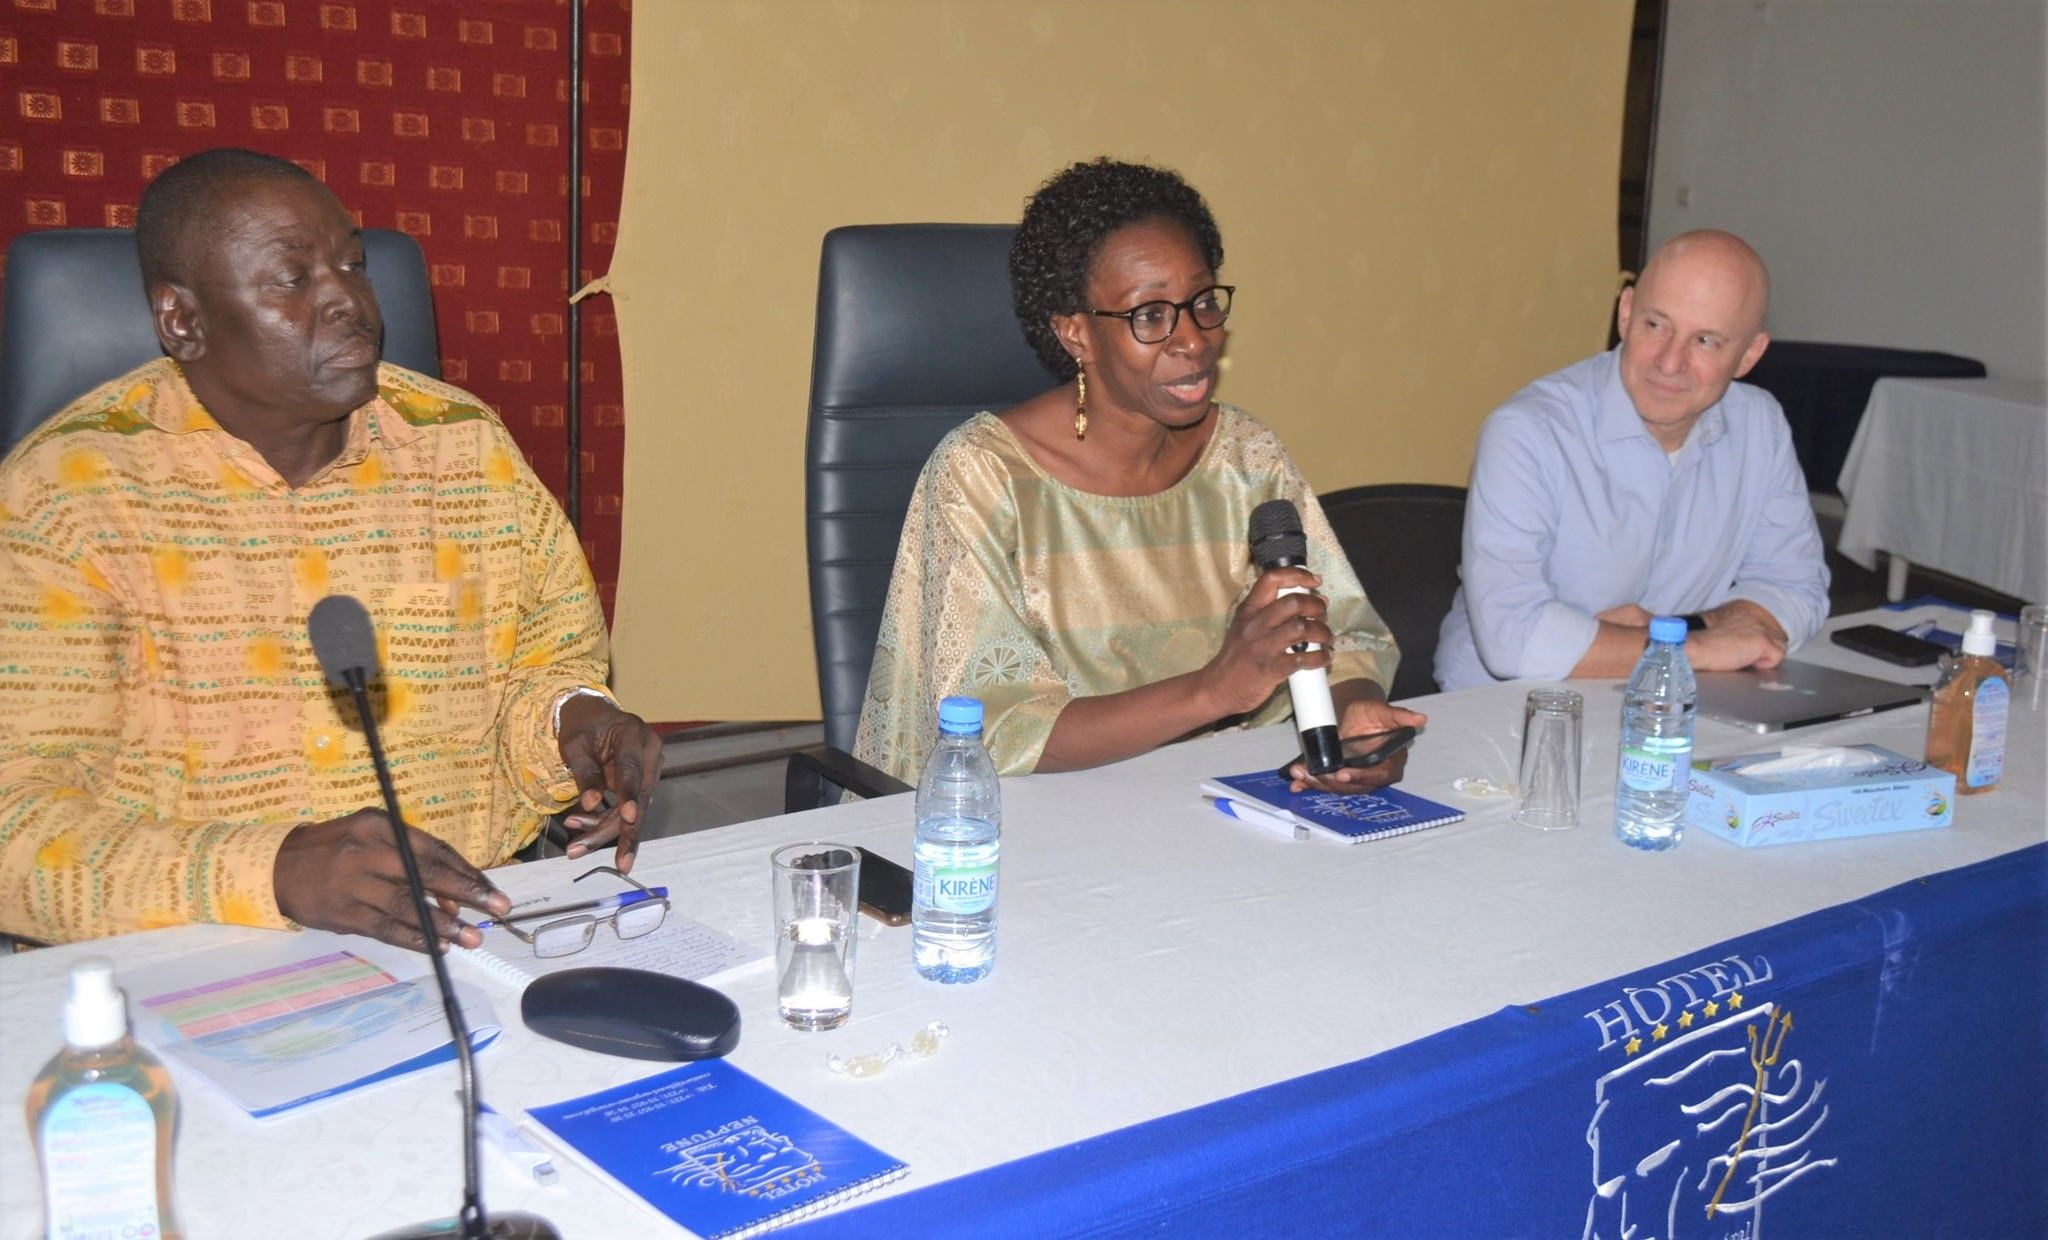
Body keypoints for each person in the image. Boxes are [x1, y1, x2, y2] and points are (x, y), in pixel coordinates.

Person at [0, 148, 662, 950]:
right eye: (293, 278)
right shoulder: (63, 497)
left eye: (353, 264)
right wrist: (269, 870)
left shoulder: (464, 449)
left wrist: (572, 722)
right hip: (182, 958)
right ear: (183, 319)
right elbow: (17, 822)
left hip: (470, 934)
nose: (349, 301)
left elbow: (537, 674)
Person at [853, 158, 1422, 789]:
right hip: (1045, 822)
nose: (1194, 340)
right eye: (1150, 316)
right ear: (1076, 334)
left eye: (1203, 302)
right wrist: (1214, 690)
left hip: (1230, 797)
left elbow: (1341, 633)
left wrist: (1354, 710)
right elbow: (996, 731)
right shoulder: (984, 476)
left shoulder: (1246, 458)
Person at [1435, 229, 1828, 690]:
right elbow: (1513, 639)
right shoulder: (1528, 433)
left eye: (1705, 341)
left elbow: (1797, 588)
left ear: (1749, 355)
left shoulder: (1759, 425)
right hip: (1509, 714)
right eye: (1656, 325)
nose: (1669, 362)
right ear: (1625, 314)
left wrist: (1677, 631)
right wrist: (1693, 648)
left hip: (1676, 702)